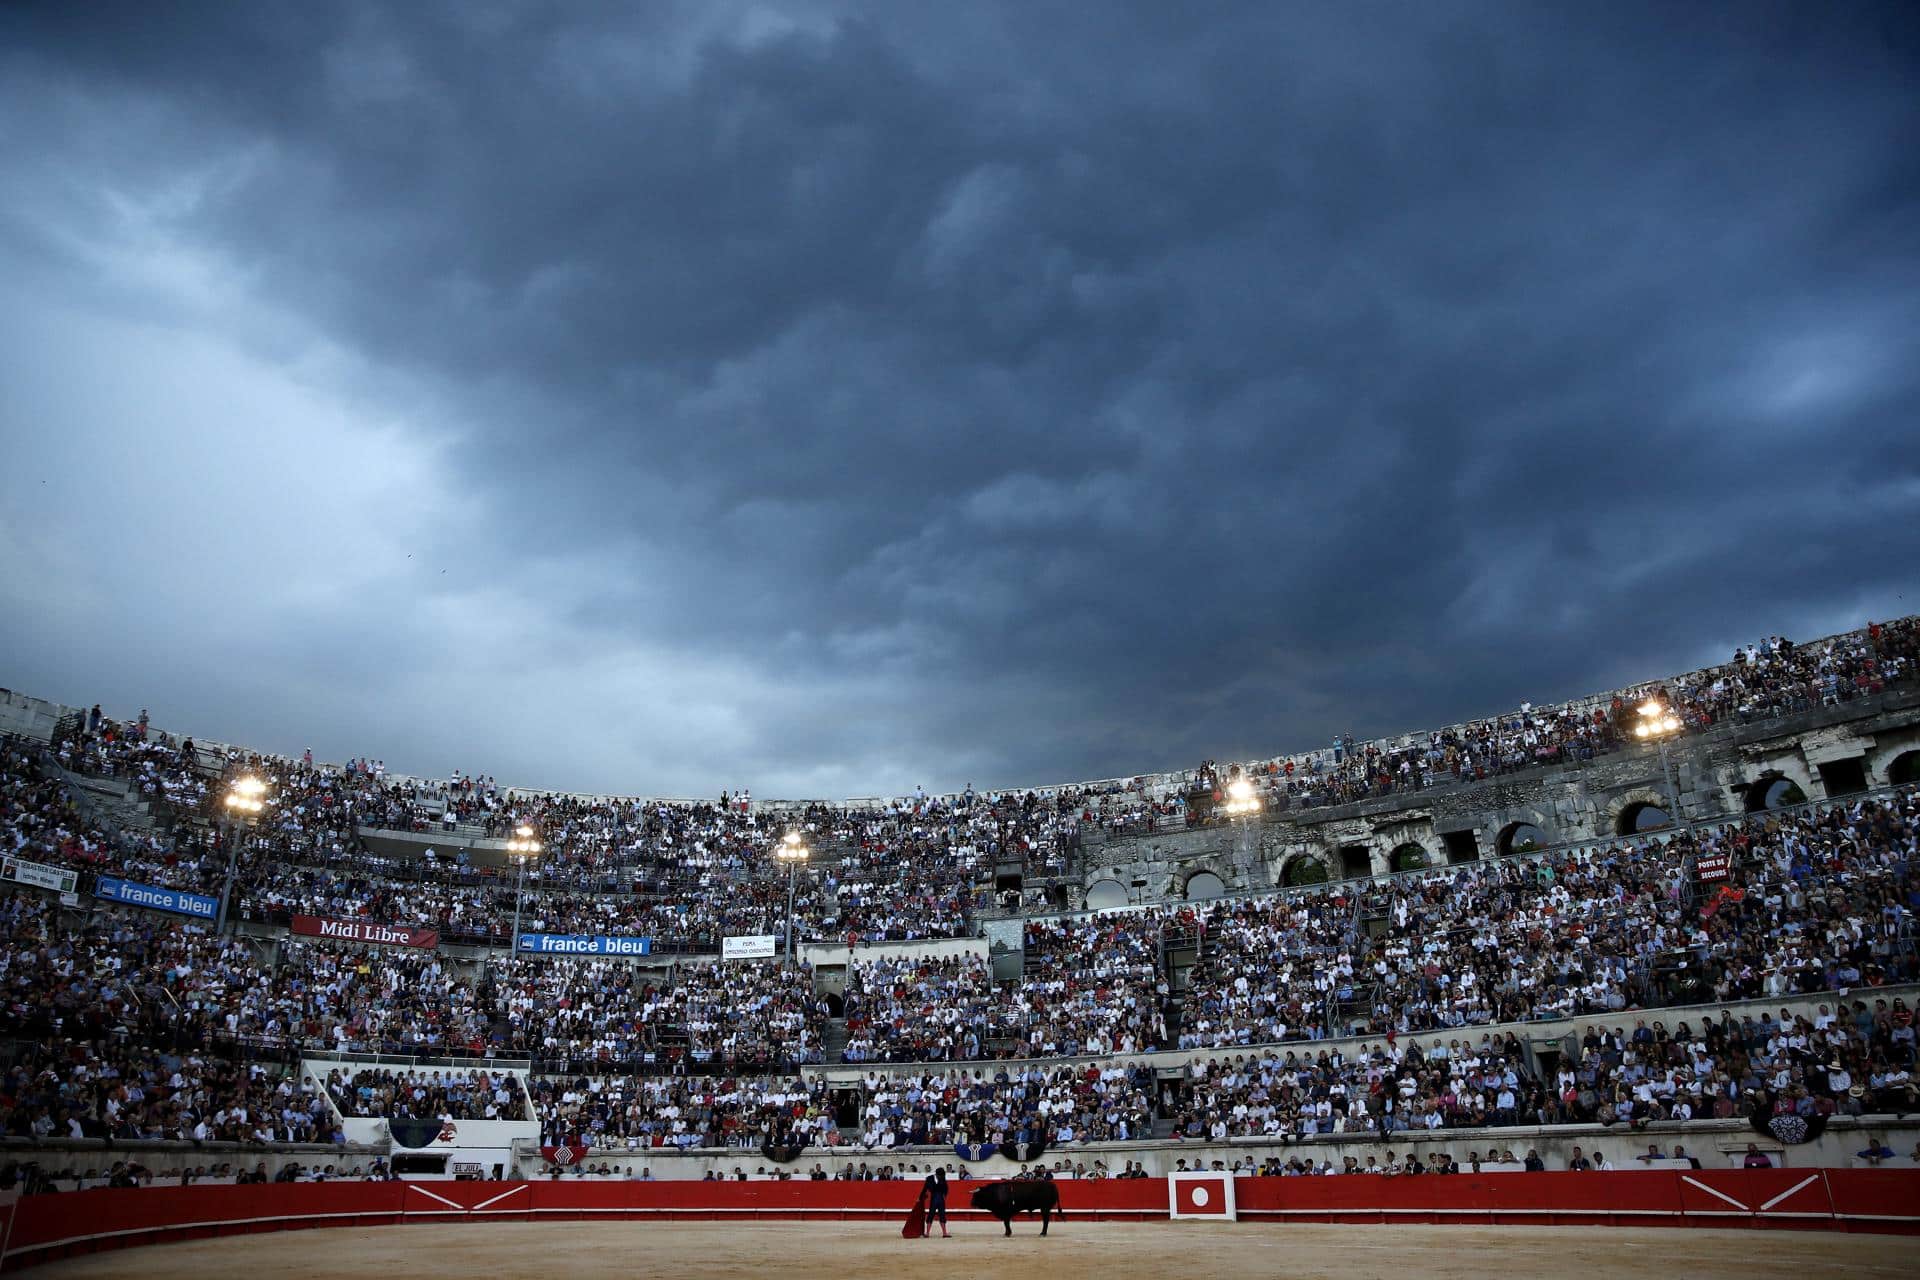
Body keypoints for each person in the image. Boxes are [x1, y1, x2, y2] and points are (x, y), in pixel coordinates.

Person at [921, 1167, 950, 1239]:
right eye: (940, 1175)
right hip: (934, 1198)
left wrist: (944, 1196)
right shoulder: (929, 1178)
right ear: (936, 1174)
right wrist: (920, 1197)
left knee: (942, 1215)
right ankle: (927, 1233)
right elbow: (924, 1188)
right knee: (931, 1214)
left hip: (940, 1198)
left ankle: (944, 1233)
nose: (941, 1177)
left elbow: (946, 1188)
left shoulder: (942, 1178)